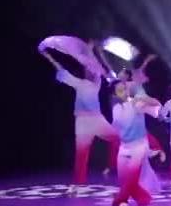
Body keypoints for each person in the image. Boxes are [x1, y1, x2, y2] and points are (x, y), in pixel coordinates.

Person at [39, 47, 119, 193]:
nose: (88, 71)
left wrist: (91, 51)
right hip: (82, 122)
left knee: (117, 138)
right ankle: (78, 183)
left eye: (90, 70)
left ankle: (112, 166)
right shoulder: (78, 83)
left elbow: (97, 66)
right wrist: (48, 56)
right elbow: (61, 69)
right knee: (82, 154)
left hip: (97, 120)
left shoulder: (97, 83)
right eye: (86, 70)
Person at [109, 81, 162, 206]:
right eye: (120, 91)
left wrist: (143, 98)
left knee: (131, 177)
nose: (124, 92)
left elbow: (157, 105)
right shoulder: (115, 109)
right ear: (114, 95)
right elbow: (116, 128)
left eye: (125, 89)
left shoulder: (135, 103)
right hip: (124, 146)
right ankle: (144, 197)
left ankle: (120, 200)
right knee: (123, 179)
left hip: (139, 145)